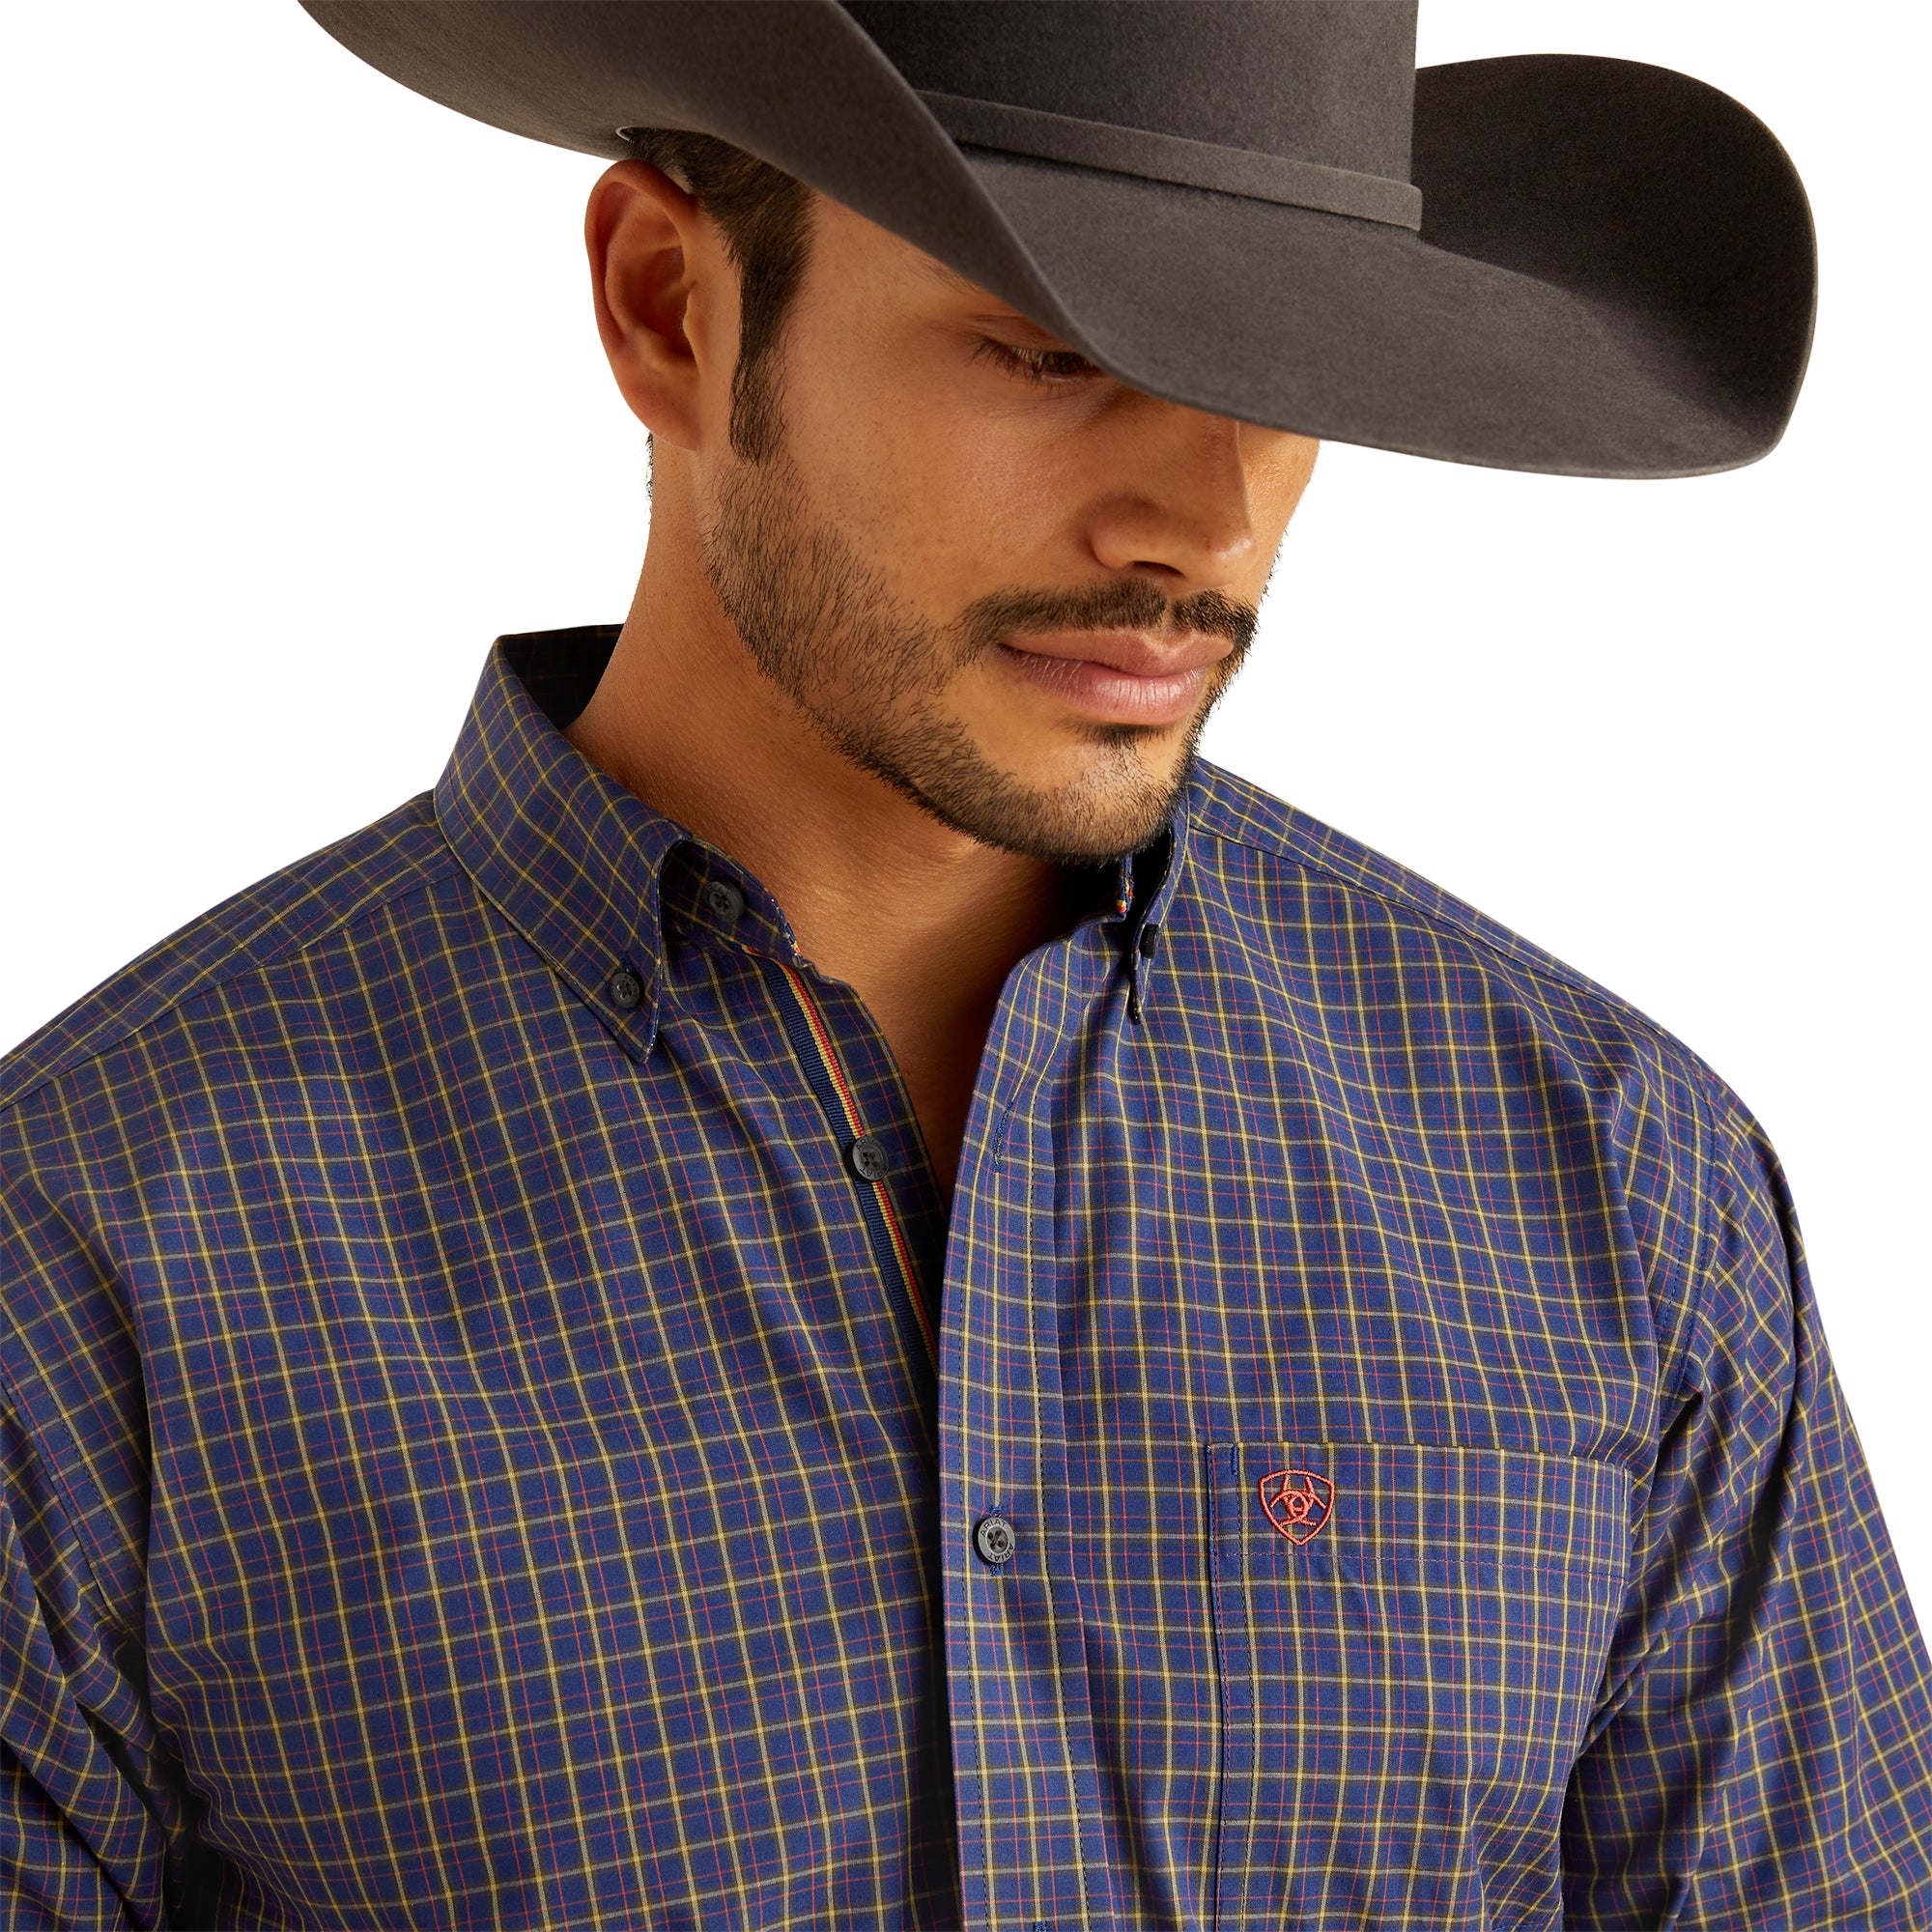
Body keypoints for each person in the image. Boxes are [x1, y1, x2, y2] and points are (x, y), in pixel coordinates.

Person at [1, 2, 1926, 1925]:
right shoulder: (95, 1245)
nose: (1206, 520)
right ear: (671, 307)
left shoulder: (1614, 1179)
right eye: (1053, 351)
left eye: (1287, 373)